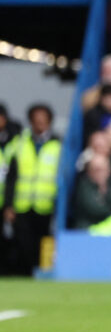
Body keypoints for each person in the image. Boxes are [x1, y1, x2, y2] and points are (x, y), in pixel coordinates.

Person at [2, 104, 61, 276]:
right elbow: (11, 178)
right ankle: (26, 273)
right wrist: (8, 205)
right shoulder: (20, 144)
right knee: (23, 242)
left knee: (44, 242)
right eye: (36, 121)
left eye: (43, 121)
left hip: (46, 204)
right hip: (23, 204)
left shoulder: (58, 145)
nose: (40, 124)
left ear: (49, 122)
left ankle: (43, 273)